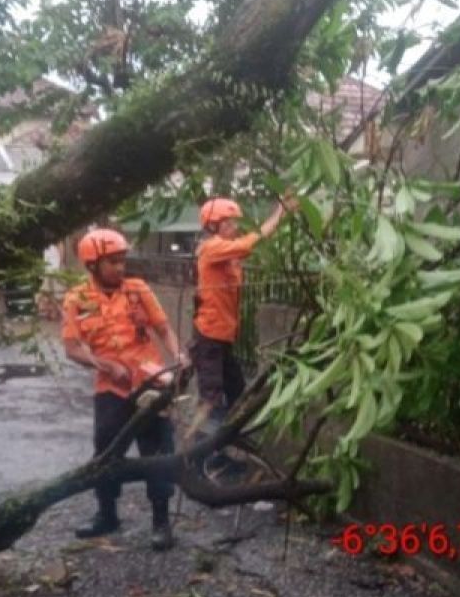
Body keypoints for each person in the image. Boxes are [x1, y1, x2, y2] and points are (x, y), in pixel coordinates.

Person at [61, 228, 188, 551]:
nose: (121, 268)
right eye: (113, 262)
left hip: (151, 383)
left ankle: (161, 521)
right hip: (111, 390)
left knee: (158, 450)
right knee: (106, 453)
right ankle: (107, 514)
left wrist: (178, 355)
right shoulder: (77, 299)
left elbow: (163, 327)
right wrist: (102, 364)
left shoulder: (138, 289)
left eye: (122, 261)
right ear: (93, 265)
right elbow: (72, 348)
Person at [190, 195, 296, 426]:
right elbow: (250, 242)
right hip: (209, 337)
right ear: (213, 226)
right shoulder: (212, 247)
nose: (234, 227)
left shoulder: (227, 254)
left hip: (223, 335)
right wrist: (279, 215)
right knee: (211, 400)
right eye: (228, 223)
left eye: (234, 222)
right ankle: (199, 453)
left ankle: (225, 442)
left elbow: (246, 247)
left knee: (237, 390)